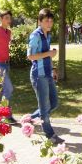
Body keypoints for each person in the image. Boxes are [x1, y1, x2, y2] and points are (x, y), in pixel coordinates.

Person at [27, 8, 64, 145]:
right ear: (40, 21)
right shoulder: (35, 35)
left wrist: (53, 68)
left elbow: (47, 54)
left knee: (54, 103)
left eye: (51, 20)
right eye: (46, 20)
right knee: (44, 108)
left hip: (47, 74)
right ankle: (50, 135)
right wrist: (49, 53)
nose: (49, 23)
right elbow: (30, 56)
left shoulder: (47, 35)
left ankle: (31, 118)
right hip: (38, 75)